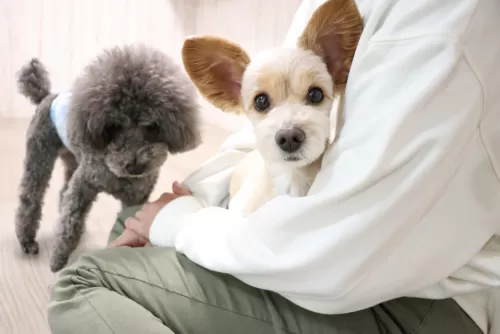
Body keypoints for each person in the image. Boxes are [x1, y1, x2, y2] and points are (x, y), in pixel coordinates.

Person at [47, 0, 500, 333]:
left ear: (336, 70)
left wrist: (181, 224)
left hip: (411, 298)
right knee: (131, 223)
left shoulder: (440, 24)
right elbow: (255, 143)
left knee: (81, 283)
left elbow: (335, 254)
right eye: (263, 102)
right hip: (328, 253)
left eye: (314, 95)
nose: (288, 127)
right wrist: (185, 201)